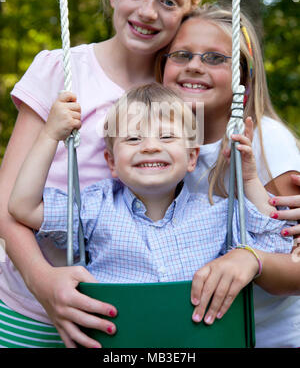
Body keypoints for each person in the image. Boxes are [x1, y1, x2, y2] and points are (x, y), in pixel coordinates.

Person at [0, 0, 206, 348]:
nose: (148, 11)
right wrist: (44, 283)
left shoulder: (178, 95)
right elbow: (5, 204)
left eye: (168, 1)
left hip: (126, 316)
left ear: (186, 12)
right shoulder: (62, 69)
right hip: (29, 304)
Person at [8, 85, 293, 337]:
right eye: (133, 139)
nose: (150, 147)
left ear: (192, 157)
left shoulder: (216, 213)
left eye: (167, 137)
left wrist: (248, 179)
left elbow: (274, 242)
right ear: (112, 162)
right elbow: (24, 206)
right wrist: (49, 135)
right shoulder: (95, 206)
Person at [156, 3, 300, 347]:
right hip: (202, 336)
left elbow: (295, 268)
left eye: (215, 58)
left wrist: (253, 258)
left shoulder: (266, 141)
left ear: (244, 78)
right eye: (182, 55)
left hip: (270, 337)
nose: (194, 66)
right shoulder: (154, 144)